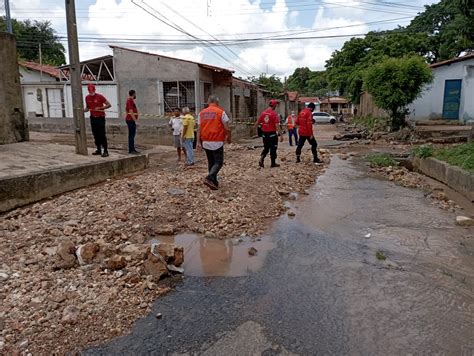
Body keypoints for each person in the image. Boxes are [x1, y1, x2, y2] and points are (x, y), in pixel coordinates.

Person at [197, 94, 231, 190]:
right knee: (218, 162)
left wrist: (198, 142)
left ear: (208, 102)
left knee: (211, 162)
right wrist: (228, 137)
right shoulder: (220, 112)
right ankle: (210, 177)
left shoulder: (201, 113)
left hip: (206, 141)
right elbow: (226, 128)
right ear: (217, 102)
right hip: (217, 141)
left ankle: (214, 183)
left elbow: (199, 129)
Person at [84, 84, 111, 157]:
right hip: (93, 118)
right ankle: (98, 149)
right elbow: (87, 108)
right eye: (90, 91)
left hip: (100, 117)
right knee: (95, 134)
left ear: (94, 90)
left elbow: (109, 105)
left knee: (102, 134)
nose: (91, 92)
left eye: (92, 90)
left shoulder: (100, 96)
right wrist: (83, 110)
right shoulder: (87, 98)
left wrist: (101, 108)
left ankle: (105, 150)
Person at [256, 99, 283, 168]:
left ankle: (261, 158)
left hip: (264, 134)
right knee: (273, 148)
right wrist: (281, 135)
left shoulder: (263, 113)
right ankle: (273, 163)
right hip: (272, 134)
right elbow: (277, 125)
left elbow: (257, 123)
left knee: (266, 148)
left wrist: (260, 128)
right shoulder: (274, 114)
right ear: (274, 106)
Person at [125, 89, 139, 154]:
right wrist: (135, 120)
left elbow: (126, 109)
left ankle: (133, 148)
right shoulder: (129, 101)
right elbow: (131, 111)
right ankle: (131, 150)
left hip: (131, 120)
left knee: (132, 135)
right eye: (135, 94)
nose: (136, 95)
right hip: (130, 120)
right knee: (131, 135)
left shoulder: (131, 101)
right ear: (133, 94)